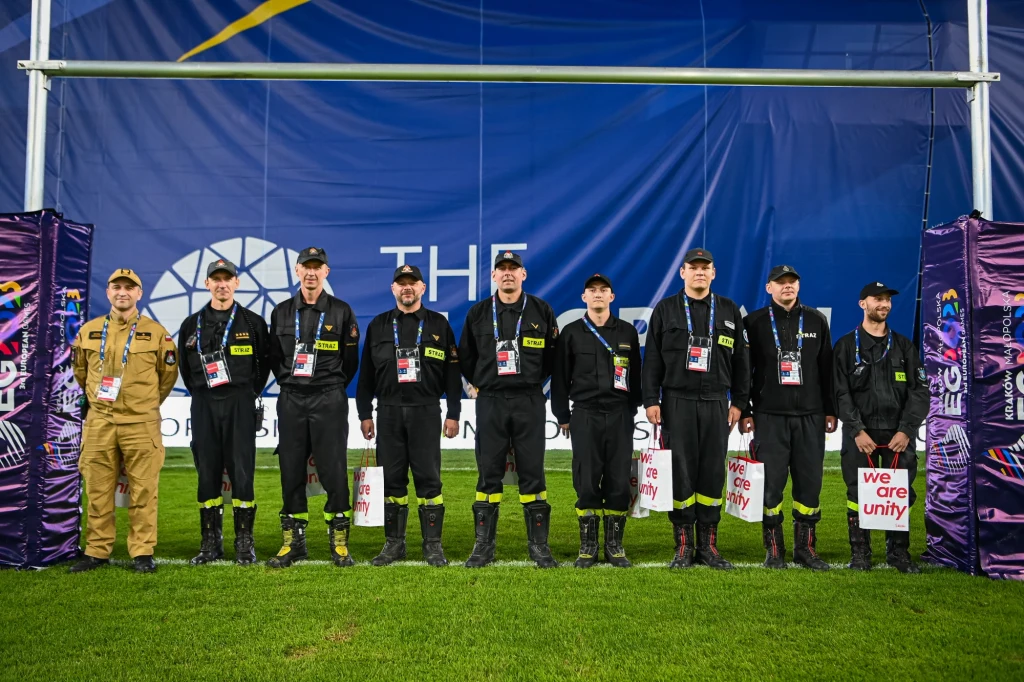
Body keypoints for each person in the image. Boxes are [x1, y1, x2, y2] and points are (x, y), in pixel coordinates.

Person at [642, 248, 750, 570]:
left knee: (712, 474)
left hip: (718, 403)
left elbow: (743, 363)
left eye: (706, 268)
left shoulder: (730, 310)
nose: (700, 272)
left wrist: (740, 403)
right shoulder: (665, 310)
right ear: (683, 272)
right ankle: (684, 547)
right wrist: (651, 400)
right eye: (694, 267)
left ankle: (709, 547)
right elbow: (653, 361)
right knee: (681, 475)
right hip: (677, 403)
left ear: (714, 273)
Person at [68, 269, 178, 574]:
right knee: (98, 488)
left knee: (144, 490)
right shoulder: (89, 331)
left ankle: (142, 551)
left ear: (139, 294)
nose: (123, 292)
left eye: (130, 288)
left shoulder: (157, 333)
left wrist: (143, 405)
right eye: (117, 287)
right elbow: (80, 372)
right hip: (100, 422)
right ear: (108, 292)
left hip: (141, 424)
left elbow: (167, 376)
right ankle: (96, 550)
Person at [458, 251, 559, 568]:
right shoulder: (477, 313)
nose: (507, 274)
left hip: (529, 400)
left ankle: (539, 548)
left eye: (513, 269)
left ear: (523, 274)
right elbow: (466, 359)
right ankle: (483, 547)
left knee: (532, 474)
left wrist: (532, 385)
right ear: (493, 276)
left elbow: (554, 359)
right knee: (489, 475)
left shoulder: (541, 311)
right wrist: (481, 385)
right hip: (491, 401)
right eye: (501, 269)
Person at [356, 264, 462, 567]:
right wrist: (365, 414)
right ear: (393, 289)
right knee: (392, 481)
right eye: (401, 283)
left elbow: (452, 374)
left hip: (426, 411)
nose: (407, 288)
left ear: (422, 288)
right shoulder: (378, 325)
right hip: (387, 412)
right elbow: (365, 377)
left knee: (429, 480)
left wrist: (453, 413)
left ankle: (433, 546)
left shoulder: (438, 325)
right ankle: (394, 544)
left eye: (412, 283)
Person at [267, 247, 360, 568]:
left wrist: (328, 385)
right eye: (306, 267)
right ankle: (293, 542)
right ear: (296, 271)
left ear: (326, 272)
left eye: (317, 267)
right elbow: (273, 357)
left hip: (329, 398)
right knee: (291, 469)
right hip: (291, 399)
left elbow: (350, 362)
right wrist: (291, 382)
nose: (311, 272)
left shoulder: (341, 311)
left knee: (333, 469)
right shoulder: (280, 312)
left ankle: (339, 542)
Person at [740, 265, 836, 570]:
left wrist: (831, 410)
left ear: (798, 285)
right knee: (771, 484)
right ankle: (774, 549)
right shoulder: (753, 322)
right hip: (769, 416)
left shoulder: (816, 320)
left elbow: (827, 370)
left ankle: (806, 549)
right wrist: (745, 410)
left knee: (809, 484)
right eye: (780, 283)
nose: (787, 287)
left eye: (792, 282)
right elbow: (745, 372)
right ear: (769, 288)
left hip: (811, 415)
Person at [177, 259, 270, 566]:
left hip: (240, 402)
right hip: (204, 403)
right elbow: (185, 370)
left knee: (242, 473)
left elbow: (264, 366)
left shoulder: (253, 323)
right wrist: (204, 393)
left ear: (236, 283)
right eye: (215, 279)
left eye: (227, 278)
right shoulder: (192, 324)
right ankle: (210, 543)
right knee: (207, 473)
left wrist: (246, 394)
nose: (222, 284)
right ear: (207, 284)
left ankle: (244, 543)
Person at [833, 282, 928, 573]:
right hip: (861, 437)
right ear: (863, 304)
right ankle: (860, 553)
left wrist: (906, 430)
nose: (883, 304)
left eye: (887, 300)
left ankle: (898, 553)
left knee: (898, 492)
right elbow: (839, 392)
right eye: (877, 299)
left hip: (898, 435)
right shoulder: (847, 346)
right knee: (857, 494)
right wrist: (857, 430)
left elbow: (920, 390)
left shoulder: (904, 346)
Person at [551, 273, 642, 568]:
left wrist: (633, 408)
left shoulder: (627, 332)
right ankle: (588, 547)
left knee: (618, 479)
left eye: (604, 290)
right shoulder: (571, 333)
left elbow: (637, 374)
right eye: (592, 290)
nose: (598, 294)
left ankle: (614, 547)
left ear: (612, 297)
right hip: (585, 414)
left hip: (619, 415)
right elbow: (560, 378)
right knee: (586, 478)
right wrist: (562, 415)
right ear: (584, 298)